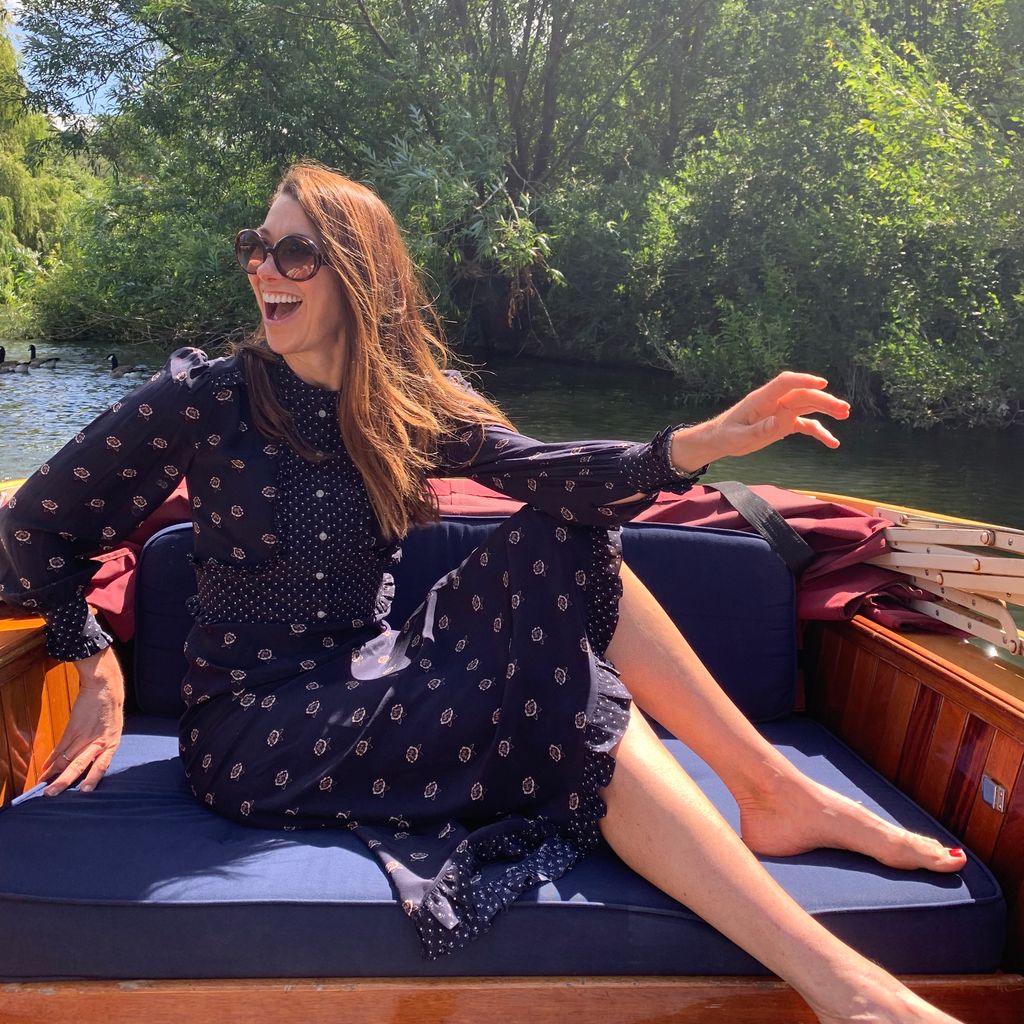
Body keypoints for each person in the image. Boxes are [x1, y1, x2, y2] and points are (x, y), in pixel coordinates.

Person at [0, 160, 967, 1023]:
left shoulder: (406, 401)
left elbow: (551, 475)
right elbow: (33, 528)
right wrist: (91, 656)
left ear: (356, 275)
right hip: (257, 728)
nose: (263, 270)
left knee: (568, 534)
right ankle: (848, 988)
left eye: (295, 254)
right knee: (564, 691)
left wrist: (694, 448)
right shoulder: (204, 397)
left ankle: (768, 790)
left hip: (369, 673)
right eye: (258, 247)